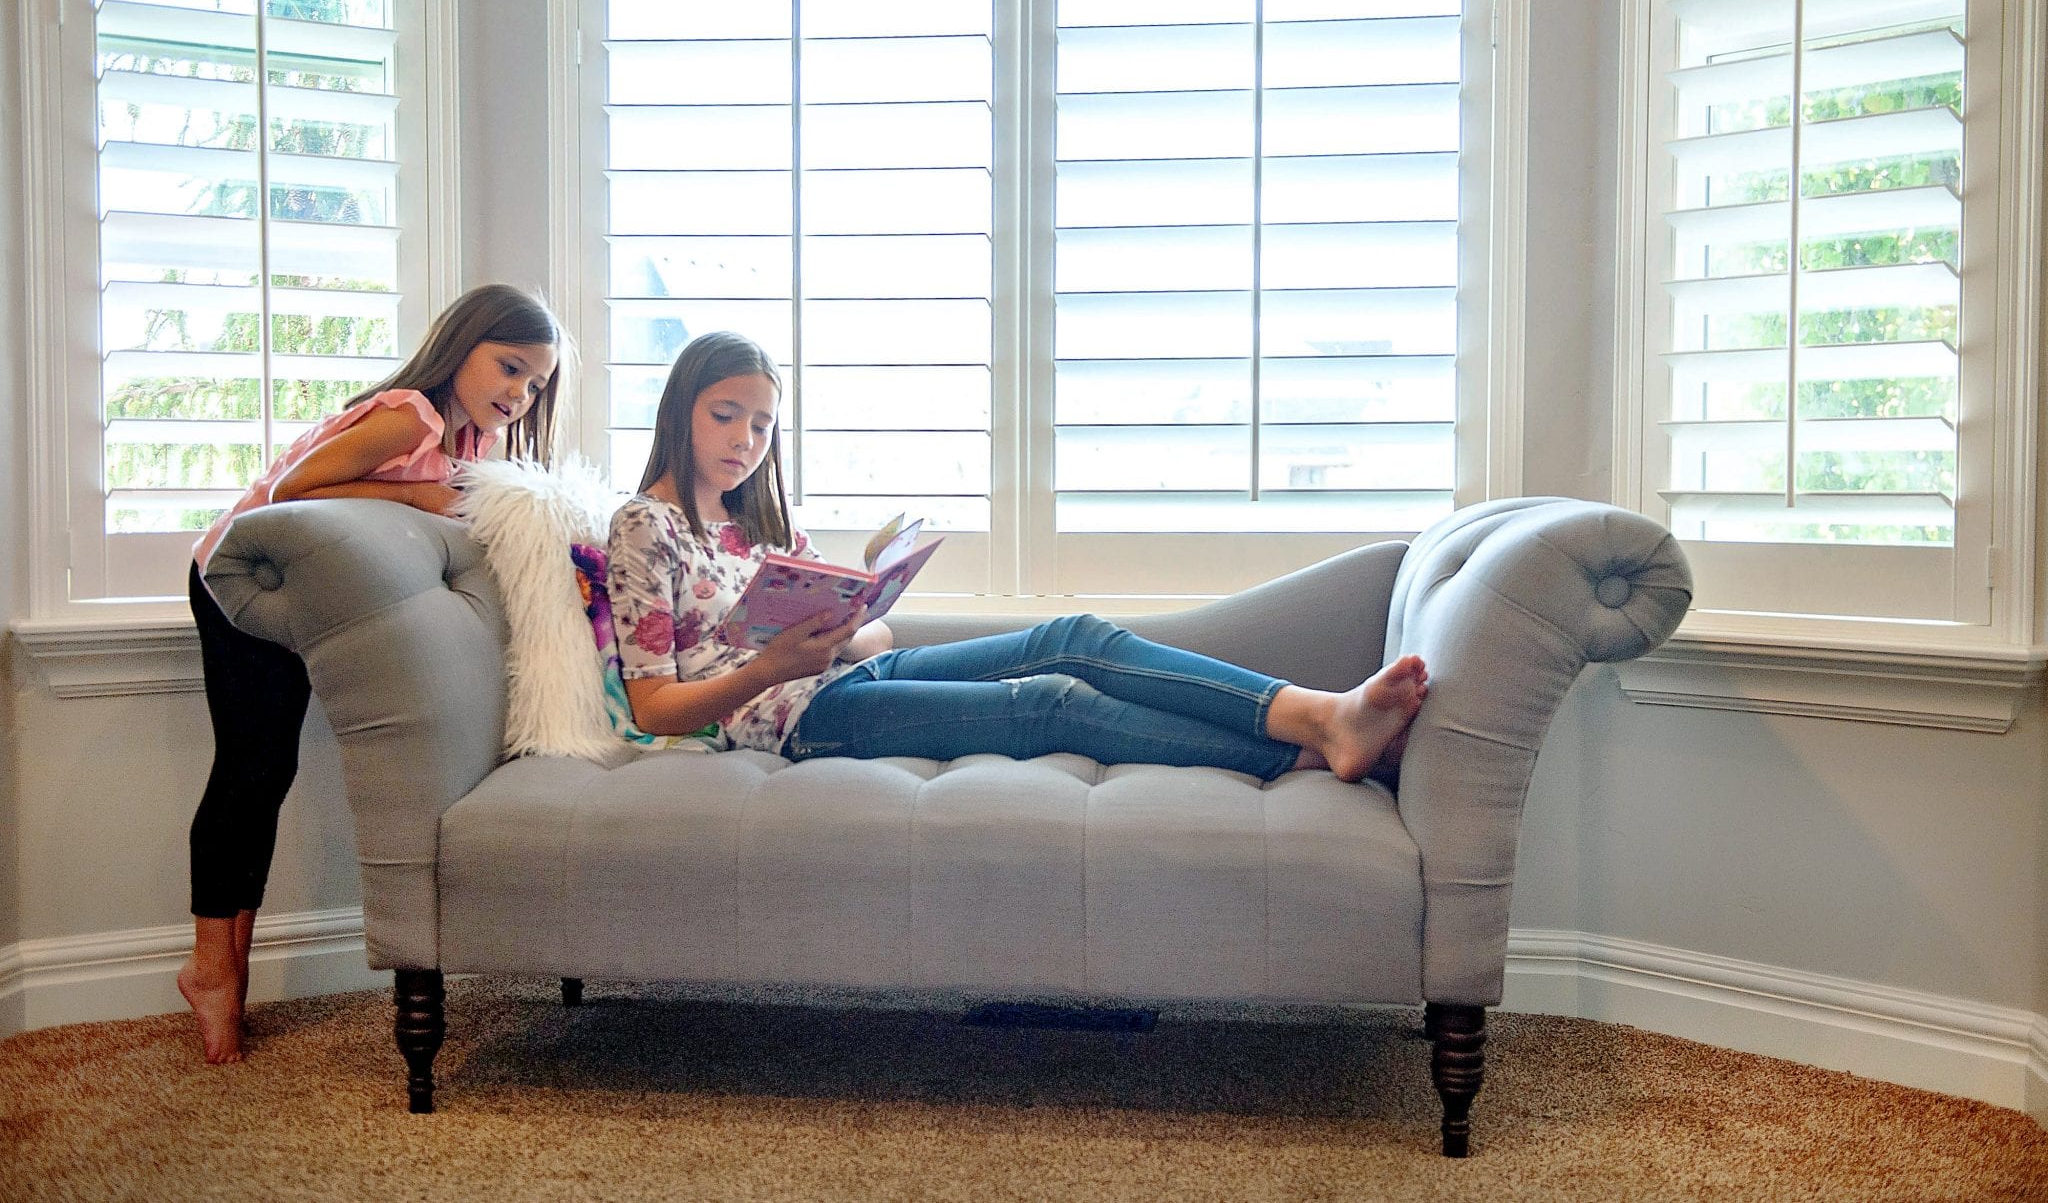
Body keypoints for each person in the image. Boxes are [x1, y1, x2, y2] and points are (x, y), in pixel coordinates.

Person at [605, 332, 1428, 793]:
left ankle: (1316, 711)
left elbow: (876, 638)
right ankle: (1299, 754)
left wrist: (859, 618)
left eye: (762, 427)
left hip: (846, 677)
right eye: (726, 417)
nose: (746, 443)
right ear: (680, 407)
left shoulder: (759, 521)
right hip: (795, 724)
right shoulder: (644, 527)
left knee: (1077, 635)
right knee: (1050, 702)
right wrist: (773, 667)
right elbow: (655, 707)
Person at [178, 282, 567, 1064]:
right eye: (509, 367)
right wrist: (421, 493)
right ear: (460, 348)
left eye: (535, 383)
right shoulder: (409, 417)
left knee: (269, 768)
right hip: (247, 576)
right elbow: (287, 489)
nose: (520, 394)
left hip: (309, 585)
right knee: (253, 769)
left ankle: (222, 968)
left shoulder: (472, 445)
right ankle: (215, 969)